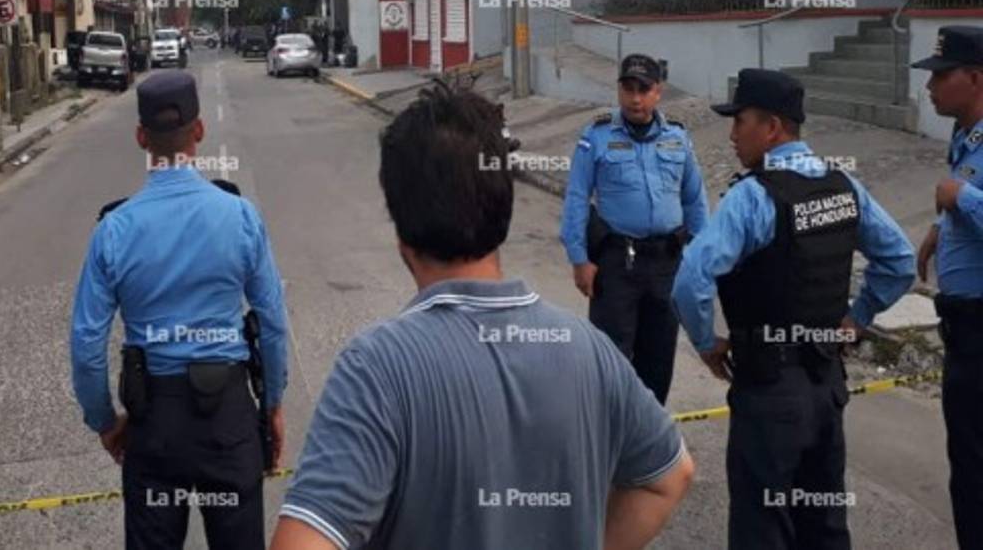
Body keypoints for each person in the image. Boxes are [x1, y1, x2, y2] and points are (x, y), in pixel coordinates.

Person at [271, 82, 694, 550]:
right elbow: (669, 476)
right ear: (504, 208)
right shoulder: (590, 350)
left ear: (399, 226)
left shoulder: (377, 367)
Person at [671, 68, 915, 550]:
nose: (733, 134)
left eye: (739, 121)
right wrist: (857, 318)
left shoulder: (752, 197)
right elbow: (900, 260)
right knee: (823, 526)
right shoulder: (844, 187)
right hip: (826, 389)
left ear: (772, 127)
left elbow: (690, 279)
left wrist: (706, 344)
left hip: (769, 393)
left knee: (762, 530)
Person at [70, 70, 289, 550]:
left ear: (141, 137)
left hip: (154, 425)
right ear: (200, 130)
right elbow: (272, 323)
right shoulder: (239, 216)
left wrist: (106, 423)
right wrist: (271, 404)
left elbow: (86, 344)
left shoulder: (115, 230)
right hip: (229, 420)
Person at [560, 53, 708, 404]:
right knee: (609, 360)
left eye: (644, 89)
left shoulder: (677, 137)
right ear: (619, 90)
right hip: (616, 265)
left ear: (658, 92)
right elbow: (577, 199)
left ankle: (650, 437)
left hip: (666, 264)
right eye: (628, 89)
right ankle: (609, 437)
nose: (635, 98)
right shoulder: (596, 136)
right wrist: (579, 259)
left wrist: (701, 258)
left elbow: (695, 201)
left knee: (658, 359)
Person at [910, 25, 983, 549]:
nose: (930, 88)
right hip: (963, 324)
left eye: (941, 76)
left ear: (975, 78)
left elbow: (968, 195)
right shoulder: (965, 137)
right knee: (967, 457)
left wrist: (961, 198)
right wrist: (940, 228)